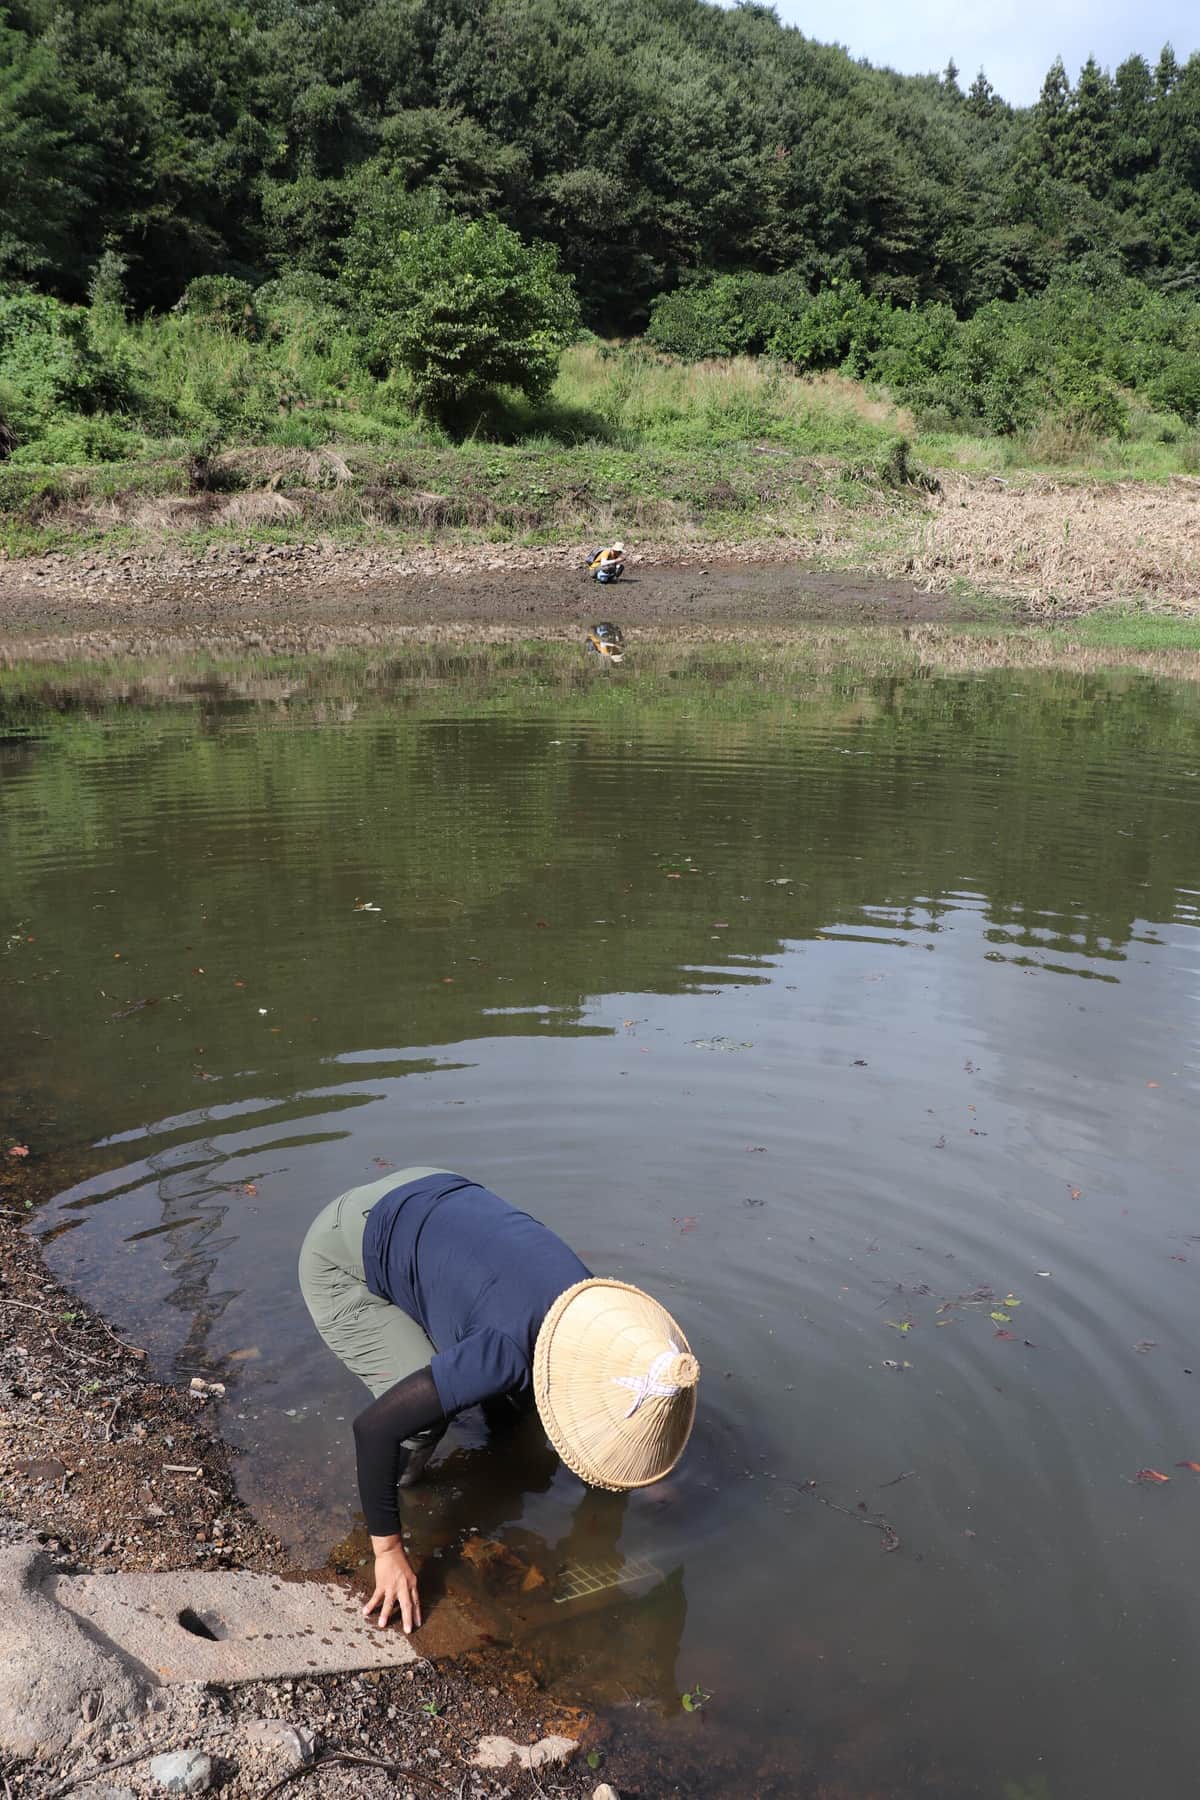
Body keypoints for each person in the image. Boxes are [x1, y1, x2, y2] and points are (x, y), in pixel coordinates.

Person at [298, 1167, 700, 1635]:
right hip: (342, 1253)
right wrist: (387, 1551)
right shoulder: (504, 1353)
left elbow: (612, 1389)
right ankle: (405, 1490)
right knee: (420, 1423)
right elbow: (373, 1429)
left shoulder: (592, 1306)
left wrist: (634, 1471)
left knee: (513, 1408)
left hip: (428, 1191)